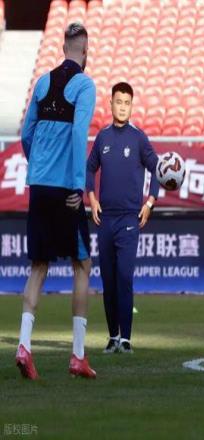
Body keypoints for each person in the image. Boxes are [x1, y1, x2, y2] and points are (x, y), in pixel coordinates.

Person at [17, 23, 96, 379]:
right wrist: (78, 185)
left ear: (64, 48)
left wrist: (37, 164)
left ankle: (23, 345)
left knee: (38, 265)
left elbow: (26, 134)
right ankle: (78, 355)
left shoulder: (42, 83)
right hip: (66, 189)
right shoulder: (85, 85)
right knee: (82, 264)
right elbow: (79, 133)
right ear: (85, 51)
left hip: (39, 184)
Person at [86, 82, 160, 354]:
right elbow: (89, 169)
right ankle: (113, 336)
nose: (122, 107)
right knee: (108, 280)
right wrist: (92, 199)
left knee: (124, 277)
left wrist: (150, 202)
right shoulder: (103, 137)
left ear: (131, 105)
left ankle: (126, 338)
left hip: (130, 218)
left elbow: (158, 170)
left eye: (127, 103)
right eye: (118, 102)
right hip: (105, 219)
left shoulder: (139, 138)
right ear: (111, 103)